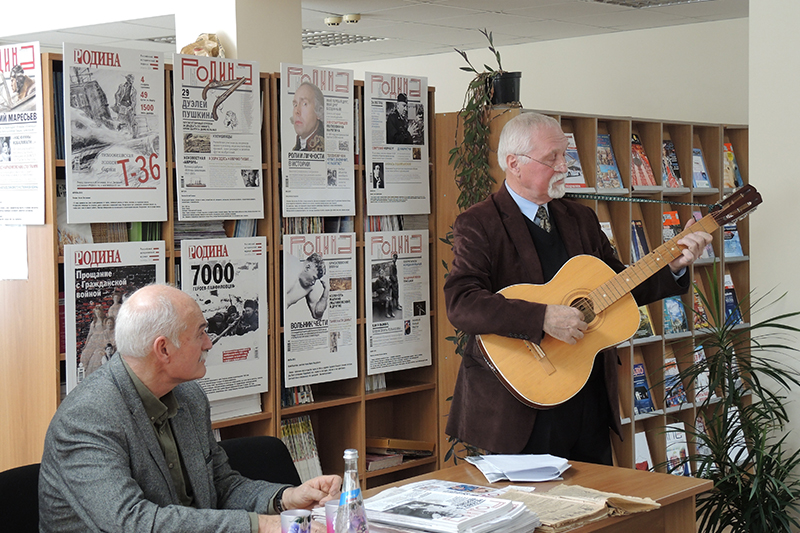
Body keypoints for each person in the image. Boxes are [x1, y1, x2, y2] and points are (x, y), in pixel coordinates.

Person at [443, 112, 712, 465]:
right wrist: (542, 317)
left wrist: (673, 266)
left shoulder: (580, 218)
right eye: (552, 157)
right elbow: (461, 302)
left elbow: (621, 287)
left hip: (589, 397)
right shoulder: (479, 223)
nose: (564, 165)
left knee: (598, 511)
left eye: (565, 155)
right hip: (519, 402)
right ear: (514, 164)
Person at [39, 284, 340, 533]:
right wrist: (261, 526)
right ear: (163, 349)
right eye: (200, 333)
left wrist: (286, 500)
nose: (209, 343)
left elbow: (222, 486)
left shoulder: (189, 397)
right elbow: (132, 523)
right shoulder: (87, 418)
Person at [285, 253, 328, 320]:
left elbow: (317, 314)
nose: (313, 283)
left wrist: (326, 290)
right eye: (314, 278)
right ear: (307, 267)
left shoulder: (310, 287)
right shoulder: (289, 265)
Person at [291, 82, 325, 152]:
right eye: (295, 105)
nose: (297, 111)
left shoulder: (323, 147)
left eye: (304, 104)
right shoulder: (298, 147)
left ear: (319, 111)